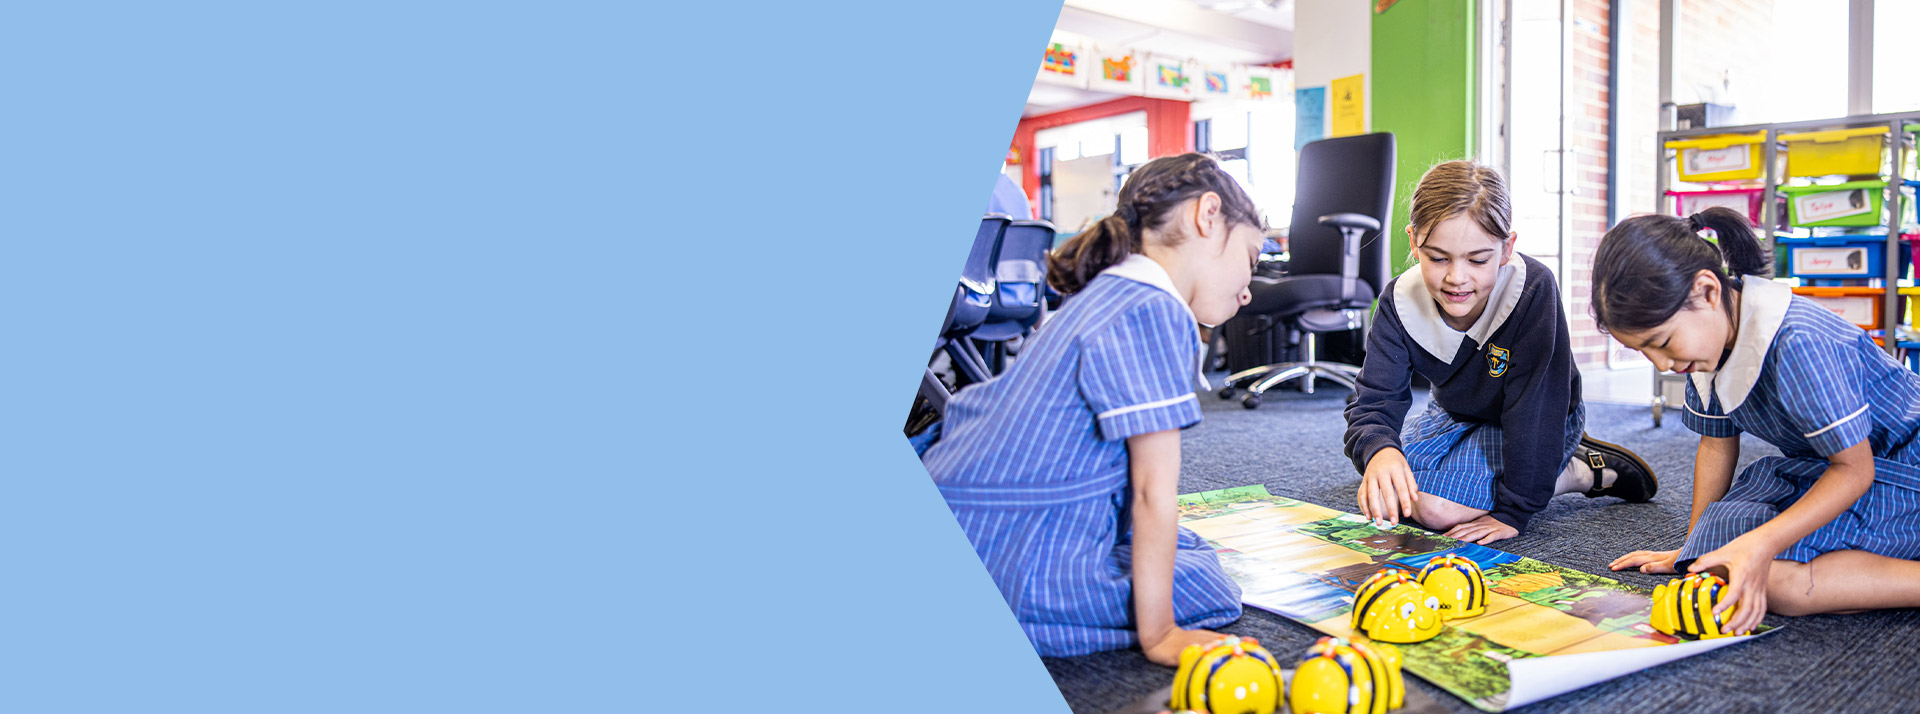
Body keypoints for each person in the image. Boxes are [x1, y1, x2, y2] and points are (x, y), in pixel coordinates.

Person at [923, 154, 1264, 663]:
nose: (1248, 290)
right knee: (1208, 583)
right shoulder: (1156, 309)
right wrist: (1159, 633)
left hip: (963, 507)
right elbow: (1151, 492)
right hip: (1011, 550)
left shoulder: (1106, 291)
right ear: (1207, 215)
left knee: (1184, 544)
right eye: (1251, 259)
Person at [1598, 206, 1920, 635]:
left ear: (1707, 291)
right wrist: (1690, 549)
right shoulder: (1706, 342)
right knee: (1716, 554)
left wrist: (1762, 545)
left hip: (1900, 471)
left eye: (1662, 342)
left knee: (1775, 584)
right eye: (1644, 350)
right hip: (1837, 465)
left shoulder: (1799, 342)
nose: (1661, 363)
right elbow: (1716, 444)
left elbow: (1855, 470)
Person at [1343, 161, 1656, 545]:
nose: (1457, 278)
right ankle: (1535, 471)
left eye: (1478, 260)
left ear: (1507, 248)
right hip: (1456, 415)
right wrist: (1380, 452)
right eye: (1438, 258)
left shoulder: (1532, 290)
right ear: (1413, 241)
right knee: (1392, 483)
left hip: (1536, 421)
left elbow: (1535, 410)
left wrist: (1515, 510)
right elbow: (1375, 400)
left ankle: (1576, 471)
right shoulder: (1399, 299)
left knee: (1436, 510)